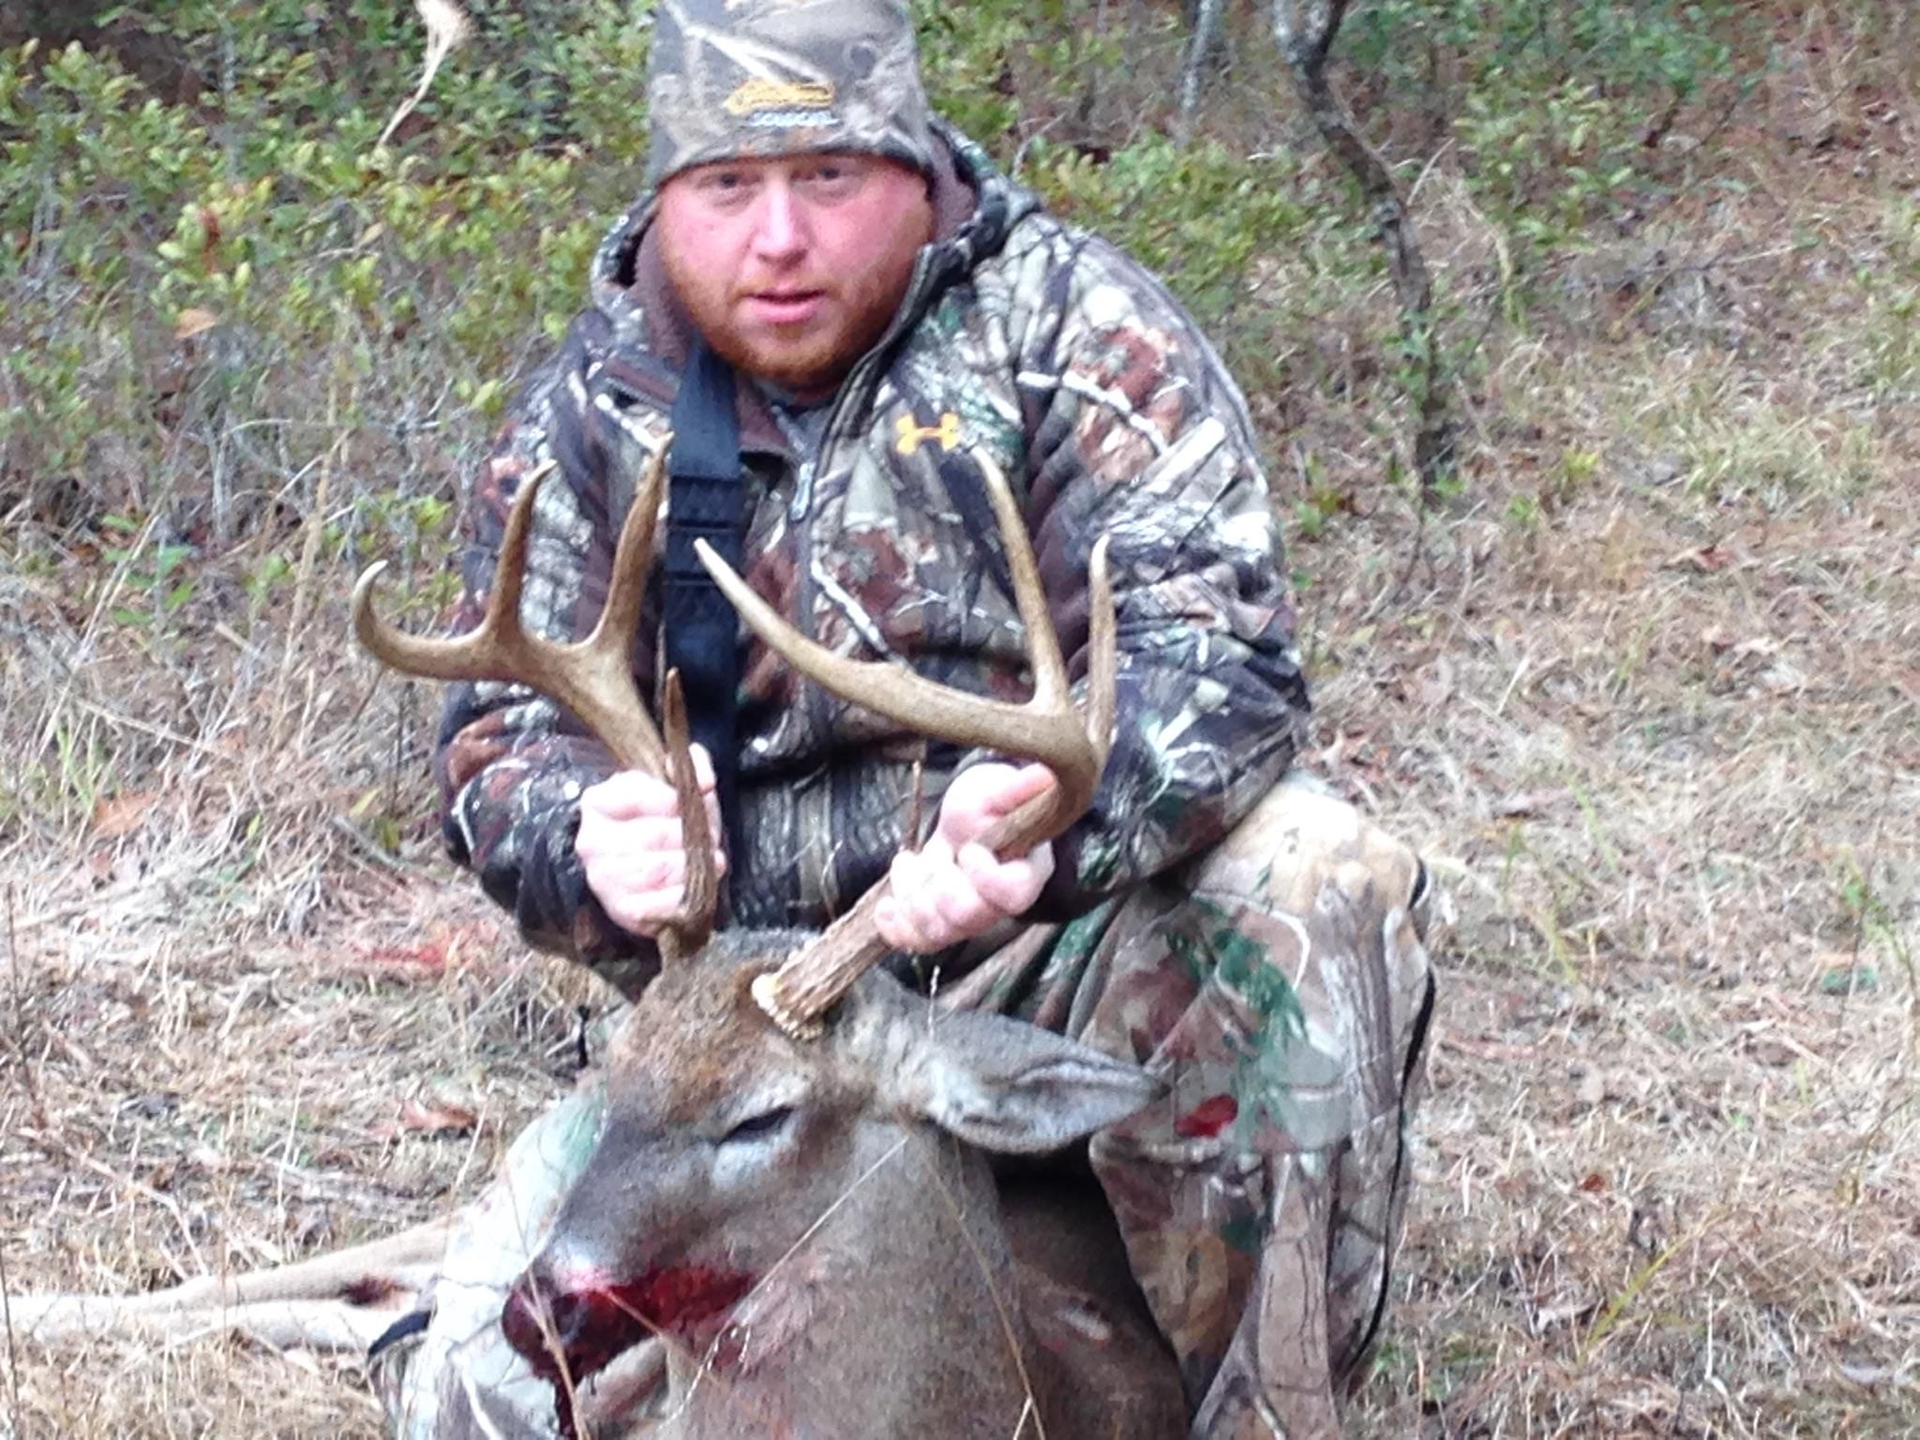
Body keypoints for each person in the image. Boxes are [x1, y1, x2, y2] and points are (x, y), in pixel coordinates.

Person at [384, 2, 1436, 1436]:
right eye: (726, 188)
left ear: (915, 164)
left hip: (1042, 949)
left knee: (1314, 877)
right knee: (477, 1386)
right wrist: (576, 833)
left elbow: (1225, 669)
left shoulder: (1076, 330)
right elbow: (500, 734)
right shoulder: (599, 401)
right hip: (743, 1039)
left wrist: (1040, 820)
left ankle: (1259, 1408)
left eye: (827, 178)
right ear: (663, 198)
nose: (776, 240)